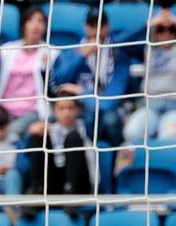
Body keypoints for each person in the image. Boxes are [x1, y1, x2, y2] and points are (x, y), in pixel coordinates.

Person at [51, 9, 135, 146]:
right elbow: (59, 81)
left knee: (110, 120)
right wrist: (82, 56)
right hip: (79, 109)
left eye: (100, 25)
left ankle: (114, 164)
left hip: (107, 110)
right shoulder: (74, 52)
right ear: (85, 27)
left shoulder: (119, 54)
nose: (96, 30)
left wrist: (81, 92)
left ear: (108, 26)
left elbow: (109, 103)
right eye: (92, 25)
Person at [122, 9, 176, 145]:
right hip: (149, 108)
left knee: (169, 138)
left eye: (171, 30)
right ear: (155, 33)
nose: (166, 33)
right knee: (131, 133)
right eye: (161, 30)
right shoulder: (148, 50)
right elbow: (122, 42)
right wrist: (149, 24)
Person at [0, 6, 54, 138]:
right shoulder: (6, 50)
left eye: (40, 21)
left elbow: (51, 89)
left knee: (10, 133)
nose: (36, 25)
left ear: (45, 27)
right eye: (31, 20)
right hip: (4, 110)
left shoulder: (52, 53)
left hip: (31, 111)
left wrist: (46, 69)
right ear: (23, 25)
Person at [23, 94, 95, 197]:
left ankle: (70, 189)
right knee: (38, 138)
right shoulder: (50, 129)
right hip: (54, 183)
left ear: (78, 109)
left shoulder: (88, 127)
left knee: (73, 137)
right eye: (61, 109)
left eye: (71, 108)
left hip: (79, 185)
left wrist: (82, 91)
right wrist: (30, 133)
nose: (66, 113)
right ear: (54, 111)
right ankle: (38, 190)